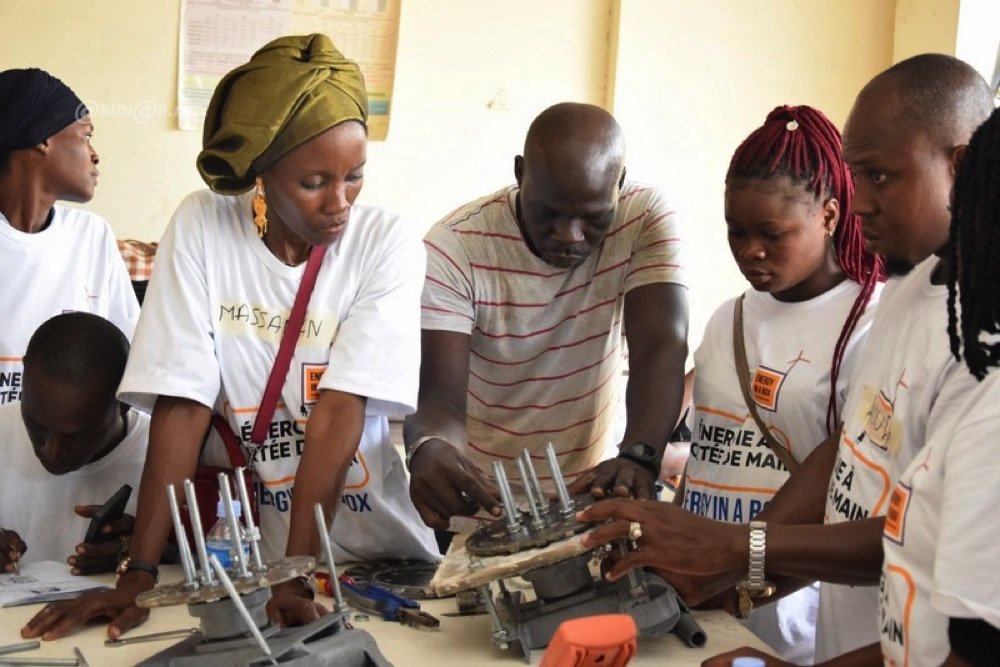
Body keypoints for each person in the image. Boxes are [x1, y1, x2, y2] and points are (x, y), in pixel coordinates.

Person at [576, 53, 995, 664]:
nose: (857, 205)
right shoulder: (909, 291)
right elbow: (846, 457)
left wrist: (738, 550)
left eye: (880, 177)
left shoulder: (975, 351)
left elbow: (933, 568)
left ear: (961, 165)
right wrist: (735, 573)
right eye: (857, 179)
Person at [21, 34, 436, 642]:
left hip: (374, 558)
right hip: (260, 571)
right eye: (316, 181)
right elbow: (182, 402)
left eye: (356, 177)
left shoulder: (385, 243)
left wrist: (298, 572)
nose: (340, 203)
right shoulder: (203, 224)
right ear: (262, 175)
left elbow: (341, 409)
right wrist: (138, 575)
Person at [404, 102, 689, 533]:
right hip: (483, 512)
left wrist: (639, 456)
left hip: (592, 501)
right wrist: (429, 446)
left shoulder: (642, 218)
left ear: (621, 184)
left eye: (593, 218)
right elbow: (440, 397)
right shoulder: (455, 247)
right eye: (548, 213)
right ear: (520, 174)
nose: (569, 235)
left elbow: (661, 345)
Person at [677, 105, 883, 663]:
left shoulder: (868, 321)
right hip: (694, 588)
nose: (750, 251)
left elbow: (843, 470)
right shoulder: (731, 316)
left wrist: (739, 568)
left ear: (830, 214)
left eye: (772, 233)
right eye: (736, 231)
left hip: (789, 608)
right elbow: (707, 455)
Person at [0, 68, 139, 405]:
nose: (95, 154)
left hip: (75, 453)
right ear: (42, 138)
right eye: (86, 135)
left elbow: (134, 365)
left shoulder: (92, 235)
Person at [0, 312, 148, 575]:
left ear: (125, 400)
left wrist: (141, 552)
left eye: (77, 437)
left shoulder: (161, 457)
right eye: (36, 426)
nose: (51, 451)